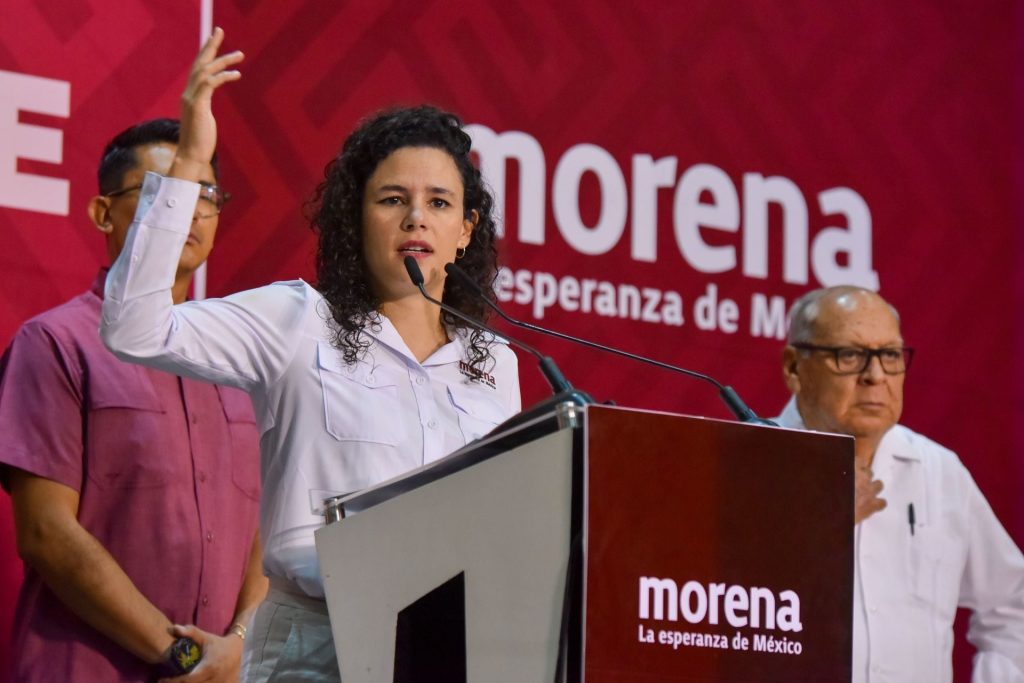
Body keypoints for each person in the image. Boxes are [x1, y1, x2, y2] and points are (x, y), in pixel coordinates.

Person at [100, 29, 521, 681]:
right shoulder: (297, 320)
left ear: (464, 231)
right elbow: (135, 327)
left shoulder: (494, 362)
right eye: (392, 200)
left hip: (446, 650)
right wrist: (190, 161)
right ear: (356, 218)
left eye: (439, 203)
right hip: (314, 645)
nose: (416, 217)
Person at [0, 118, 266, 682]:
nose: (187, 209)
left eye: (205, 193)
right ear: (104, 212)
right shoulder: (55, 343)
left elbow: (264, 535)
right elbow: (45, 531)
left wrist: (240, 648)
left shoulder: (241, 367)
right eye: (163, 191)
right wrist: (182, 656)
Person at [777, 285, 1024, 682]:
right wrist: (819, 526)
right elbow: (704, 607)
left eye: (890, 355)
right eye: (849, 355)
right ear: (794, 368)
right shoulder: (747, 463)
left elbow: (1014, 605)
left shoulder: (939, 472)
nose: (875, 376)